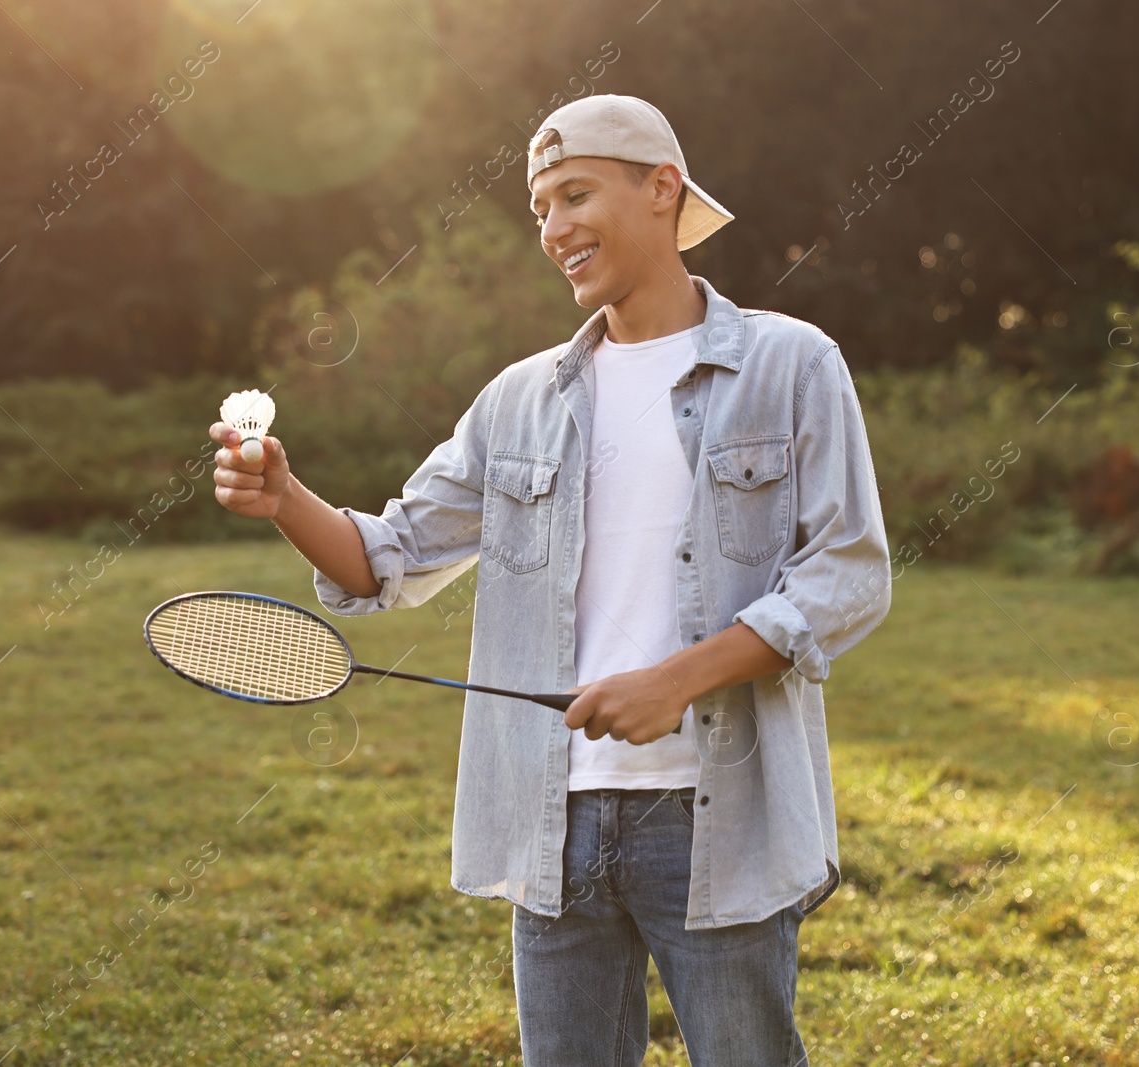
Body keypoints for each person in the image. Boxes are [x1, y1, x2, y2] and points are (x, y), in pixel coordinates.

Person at [210, 93, 891, 1067]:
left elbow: (848, 576)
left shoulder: (789, 364)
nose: (554, 227)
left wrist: (678, 678)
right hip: (551, 827)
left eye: (575, 194)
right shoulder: (520, 399)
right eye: (539, 207)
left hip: (719, 818)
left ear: (662, 190)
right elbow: (387, 556)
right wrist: (286, 499)